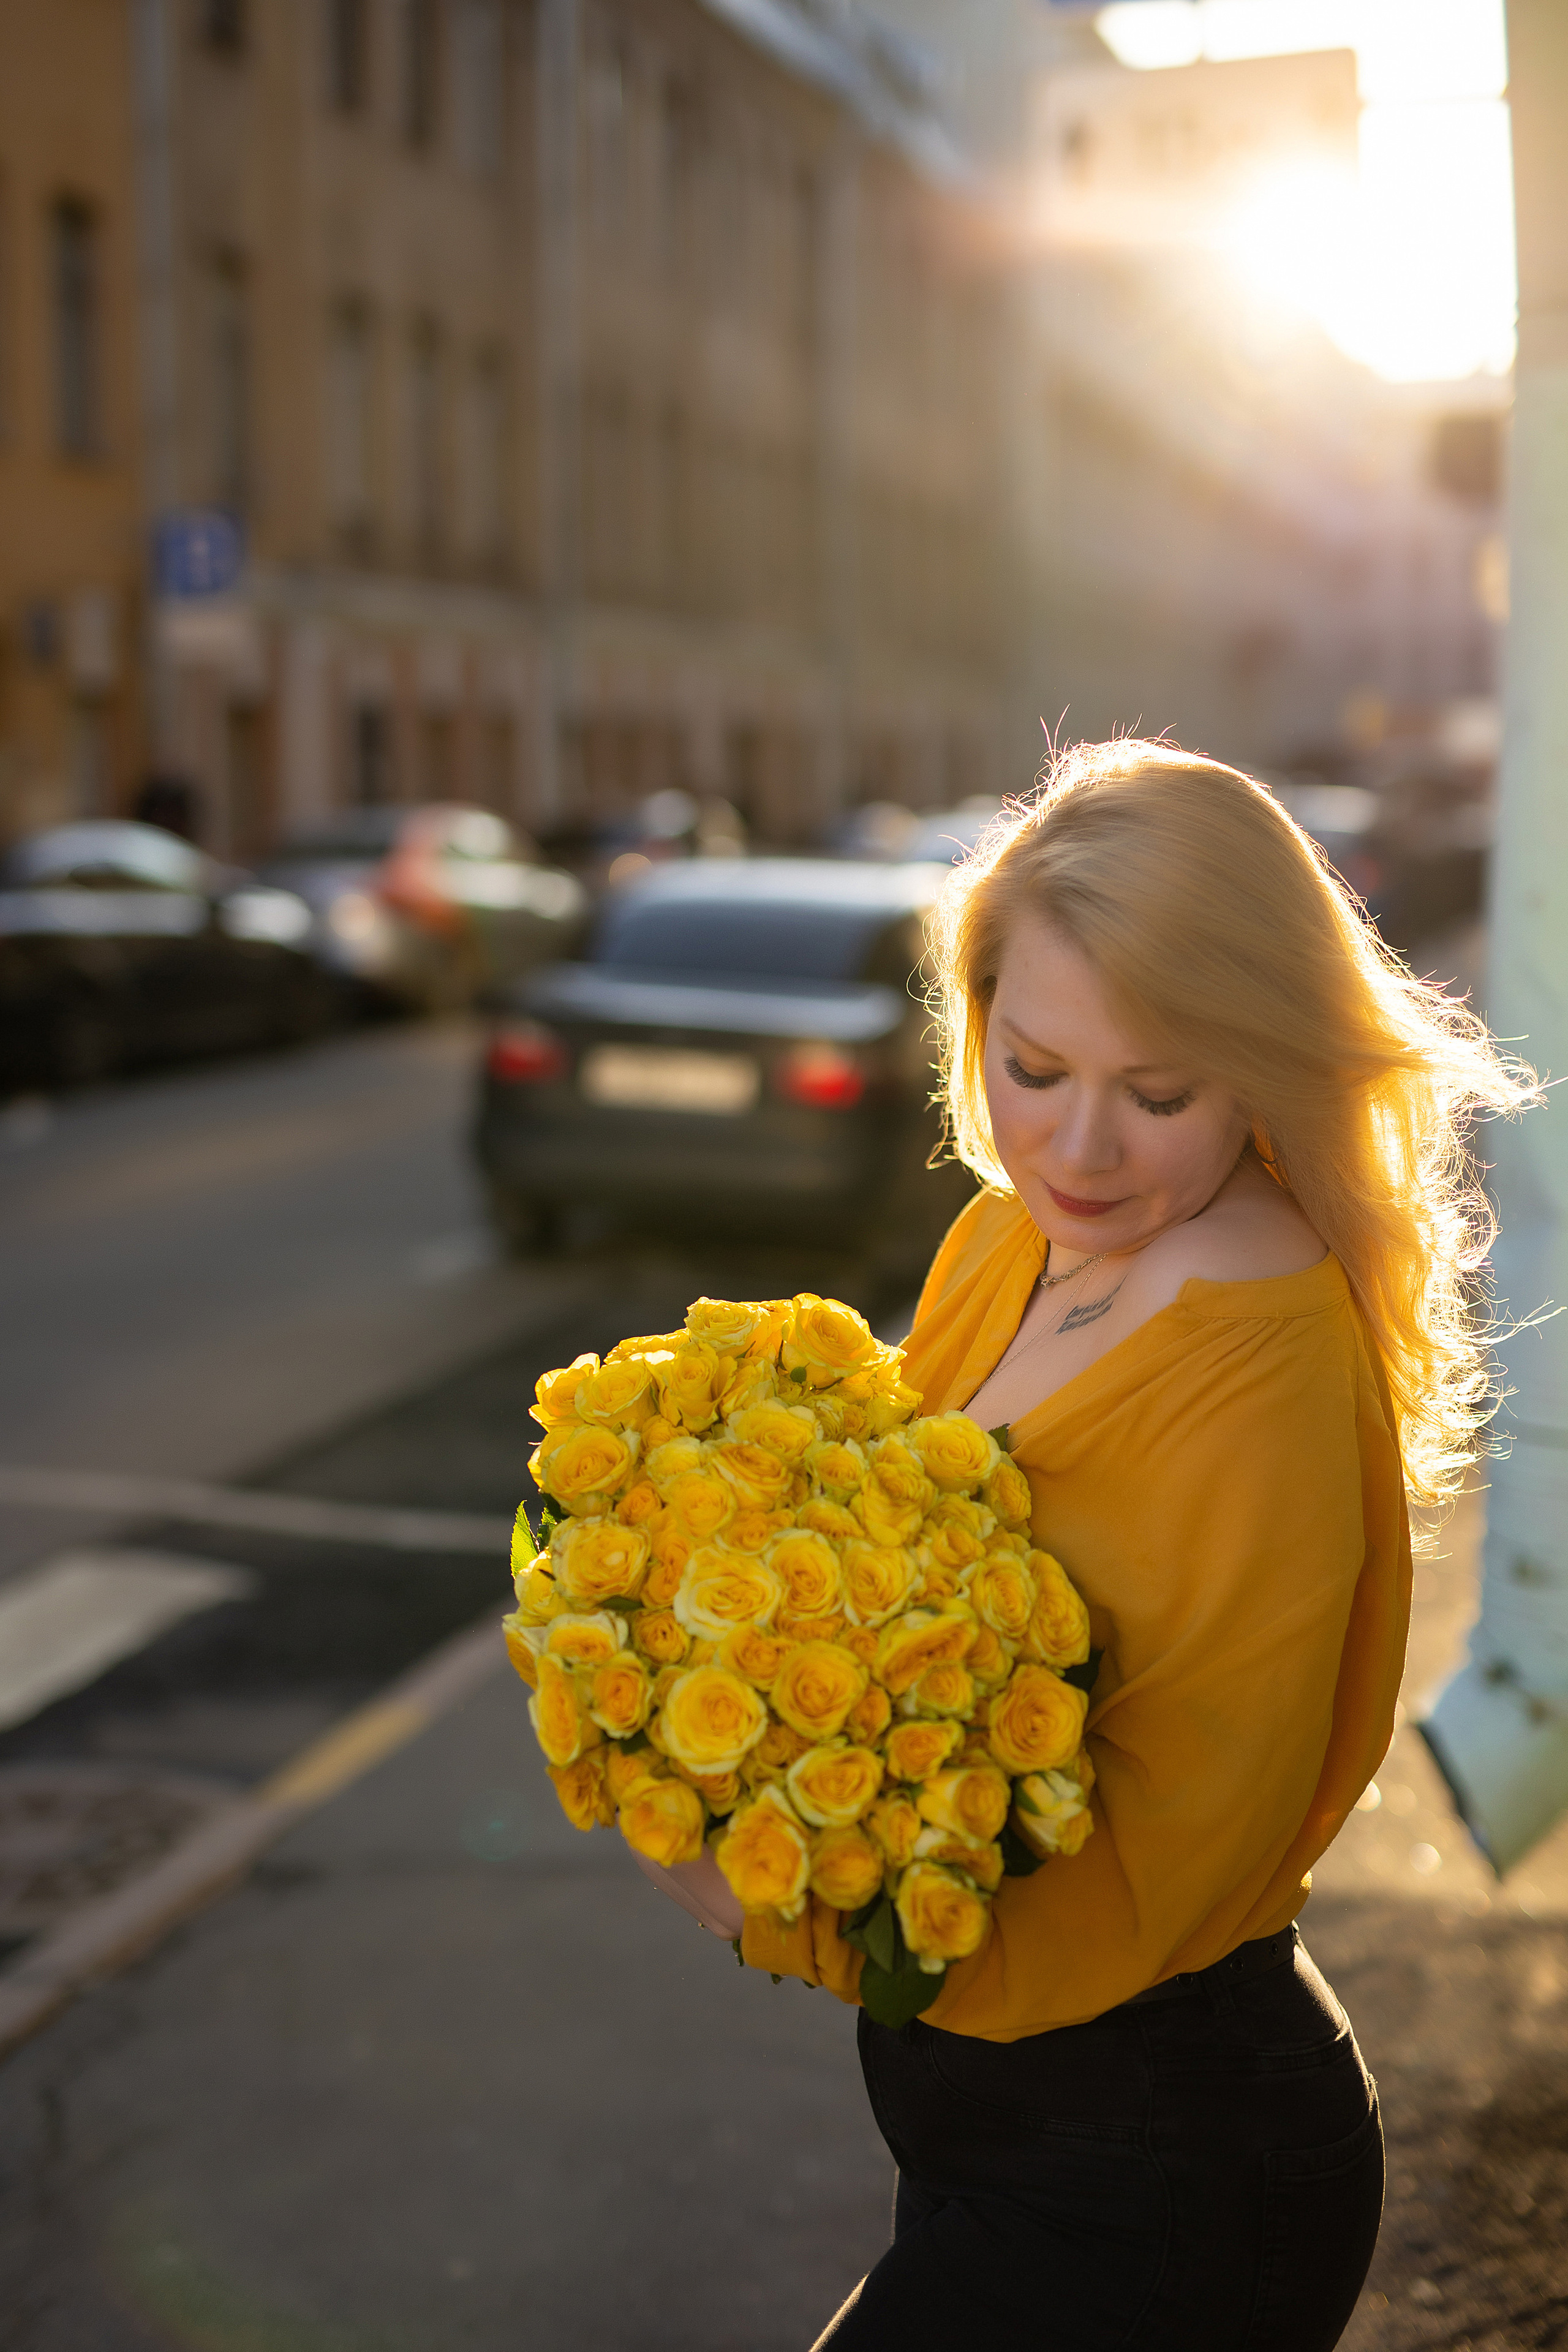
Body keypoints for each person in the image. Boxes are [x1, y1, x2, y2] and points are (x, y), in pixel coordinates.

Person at [639, 741, 1533, 2350]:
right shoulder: (1015, 1238)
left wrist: (754, 1886)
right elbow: (894, 1573)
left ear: (1263, 1062)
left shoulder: (1259, 1355)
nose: (1082, 1149)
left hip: (1170, 2174)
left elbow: (1160, 1842)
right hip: (1001, 2142)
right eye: (1034, 1065)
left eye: (1162, 1090)